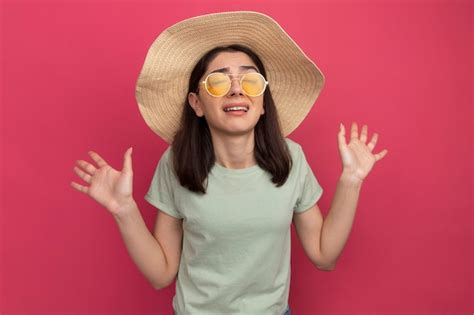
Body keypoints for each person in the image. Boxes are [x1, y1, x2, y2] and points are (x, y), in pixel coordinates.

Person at [70, 11, 388, 315]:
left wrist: (351, 180)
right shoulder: (177, 163)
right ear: (196, 103)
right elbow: (161, 273)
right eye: (219, 83)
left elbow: (324, 255)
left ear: (263, 102)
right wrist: (124, 210)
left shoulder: (292, 159)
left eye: (250, 82)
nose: (236, 89)